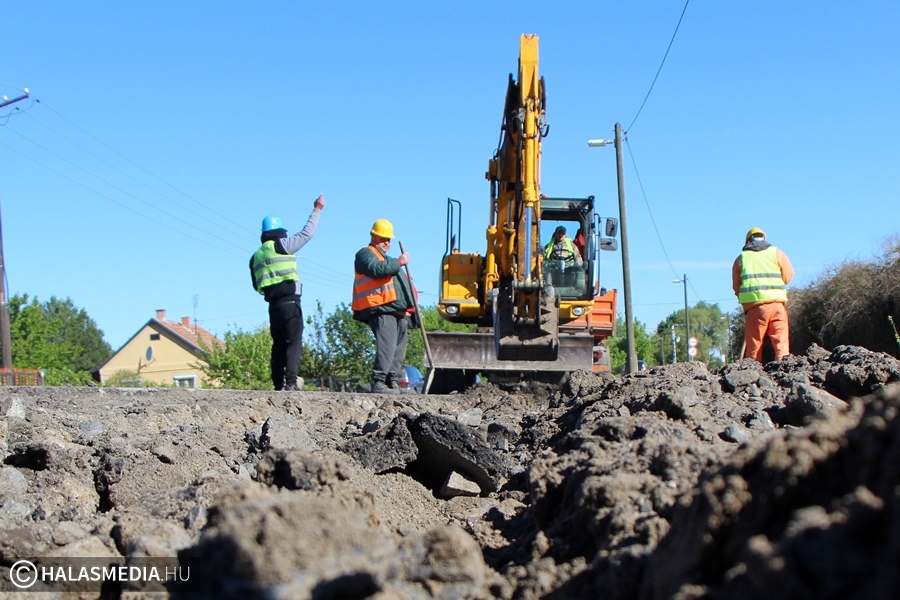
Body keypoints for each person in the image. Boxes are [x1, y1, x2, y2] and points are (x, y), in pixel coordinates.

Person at [250, 195, 325, 391]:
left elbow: (256, 285)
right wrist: (317, 210)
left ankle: (277, 384)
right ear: (280, 232)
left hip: (273, 306)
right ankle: (291, 382)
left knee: (279, 345)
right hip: (291, 302)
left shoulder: (256, 256)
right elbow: (306, 234)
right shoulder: (281, 245)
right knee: (294, 342)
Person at [352, 219, 417, 394]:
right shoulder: (365, 254)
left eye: (389, 239)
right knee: (387, 348)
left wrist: (410, 310)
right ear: (373, 236)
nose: (387, 242)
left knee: (398, 351)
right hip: (380, 309)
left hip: (399, 313)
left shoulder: (388, 259)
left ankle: (392, 382)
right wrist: (399, 262)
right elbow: (376, 269)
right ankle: (379, 382)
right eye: (383, 238)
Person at [732, 227, 794, 362]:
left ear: (748, 241)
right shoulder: (777, 253)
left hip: (755, 309)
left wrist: (746, 301)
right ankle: (785, 373)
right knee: (781, 347)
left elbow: (736, 287)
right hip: (777, 305)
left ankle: (753, 375)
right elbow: (788, 276)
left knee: (754, 350)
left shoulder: (741, 258)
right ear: (764, 238)